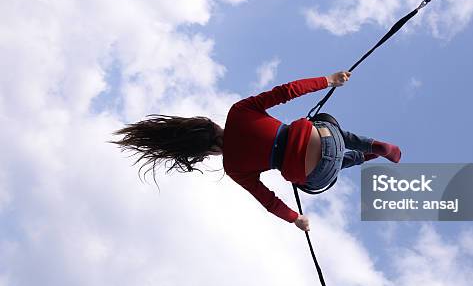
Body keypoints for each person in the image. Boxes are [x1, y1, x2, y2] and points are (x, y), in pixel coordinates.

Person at [110, 71, 401, 232]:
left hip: (318, 174)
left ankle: (362, 158)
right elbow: (286, 91)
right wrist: (329, 81)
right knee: (325, 123)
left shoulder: (233, 168)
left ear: (205, 152)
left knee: (310, 177)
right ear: (210, 123)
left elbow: (268, 201)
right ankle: (369, 145)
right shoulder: (238, 112)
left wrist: (295, 219)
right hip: (327, 137)